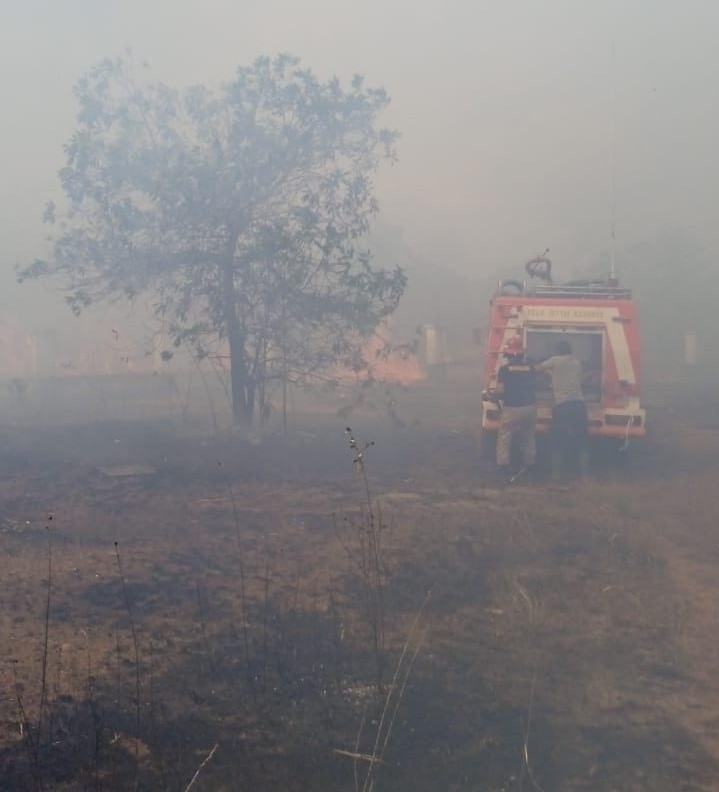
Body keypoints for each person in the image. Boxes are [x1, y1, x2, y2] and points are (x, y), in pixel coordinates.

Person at [535, 339, 589, 478]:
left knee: (557, 439)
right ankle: (585, 476)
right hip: (580, 404)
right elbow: (569, 378)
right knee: (582, 440)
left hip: (563, 405)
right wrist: (552, 375)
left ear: (558, 351)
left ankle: (556, 475)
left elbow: (537, 368)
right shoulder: (577, 363)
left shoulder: (555, 360)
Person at [493, 335, 537, 480]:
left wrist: (492, 396)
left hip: (512, 408)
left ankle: (503, 465)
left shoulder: (505, 370)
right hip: (530, 407)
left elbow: (500, 391)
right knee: (529, 436)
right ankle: (530, 464)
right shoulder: (530, 368)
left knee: (505, 436)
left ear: (507, 354)